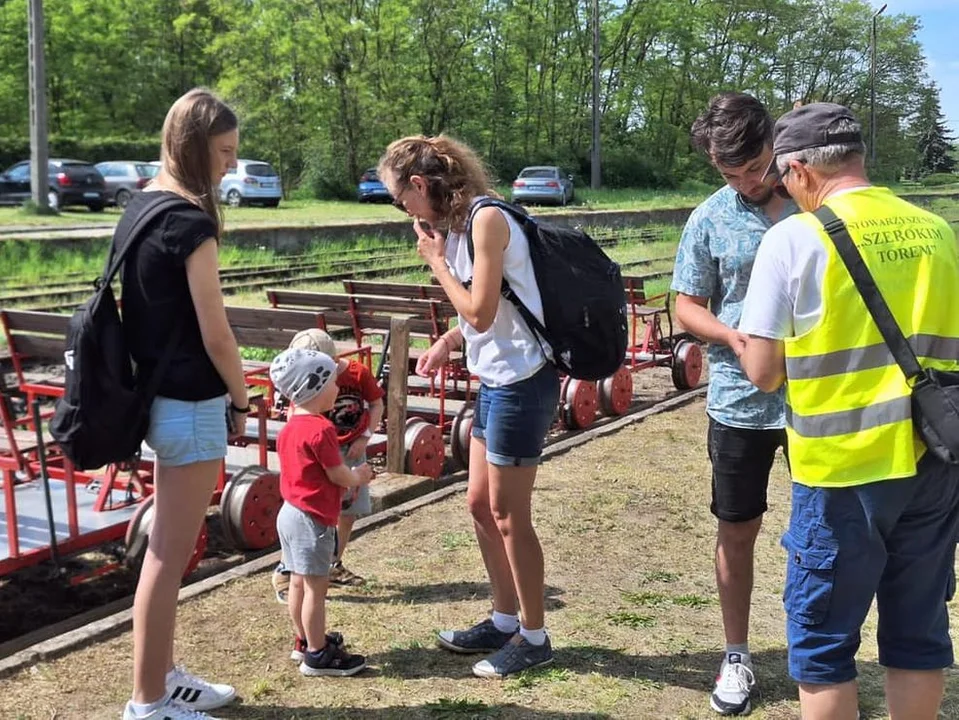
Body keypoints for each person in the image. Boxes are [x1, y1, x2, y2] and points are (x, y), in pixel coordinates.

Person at [739, 102, 959, 720]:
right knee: (918, 636)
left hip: (843, 471)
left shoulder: (793, 239)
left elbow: (761, 372)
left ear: (800, 169)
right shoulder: (937, 230)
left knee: (823, 647)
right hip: (934, 460)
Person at [378, 135, 561, 678]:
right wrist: (449, 342)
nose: (403, 211)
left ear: (419, 185)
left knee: (509, 515)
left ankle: (534, 635)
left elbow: (481, 311)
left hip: (522, 382)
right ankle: (504, 618)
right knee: (479, 505)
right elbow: (488, 313)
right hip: (495, 379)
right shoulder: (459, 226)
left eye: (399, 199)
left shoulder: (485, 220)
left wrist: (435, 262)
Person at [121, 88, 247, 720]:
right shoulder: (191, 225)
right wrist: (243, 395)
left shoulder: (140, 208)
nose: (230, 164)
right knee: (169, 556)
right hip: (193, 403)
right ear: (196, 148)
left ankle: (164, 678)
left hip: (157, 399)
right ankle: (148, 703)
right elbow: (217, 332)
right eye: (224, 152)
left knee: (171, 549)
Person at [670, 92, 796, 715]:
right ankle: (737, 654)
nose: (747, 183)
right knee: (736, 530)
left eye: (755, 168)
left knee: (824, 529)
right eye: (731, 174)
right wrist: (729, 334)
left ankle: (819, 648)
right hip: (738, 401)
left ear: (776, 143)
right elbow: (686, 304)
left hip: (818, 401)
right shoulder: (709, 218)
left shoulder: (813, 204)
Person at [269, 347, 375, 676]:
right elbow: (337, 473)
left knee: (298, 582)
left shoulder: (289, 428)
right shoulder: (321, 430)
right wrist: (358, 475)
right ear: (314, 388)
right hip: (312, 519)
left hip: (290, 513)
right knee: (317, 587)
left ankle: (304, 641)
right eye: (332, 383)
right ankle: (319, 654)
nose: (338, 389)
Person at [270, 328, 385, 600]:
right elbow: (294, 415)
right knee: (311, 515)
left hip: (350, 447)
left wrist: (365, 438)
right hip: (319, 449)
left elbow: (376, 404)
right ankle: (288, 571)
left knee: (347, 511)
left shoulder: (357, 373)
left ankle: (332, 563)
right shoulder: (306, 384)